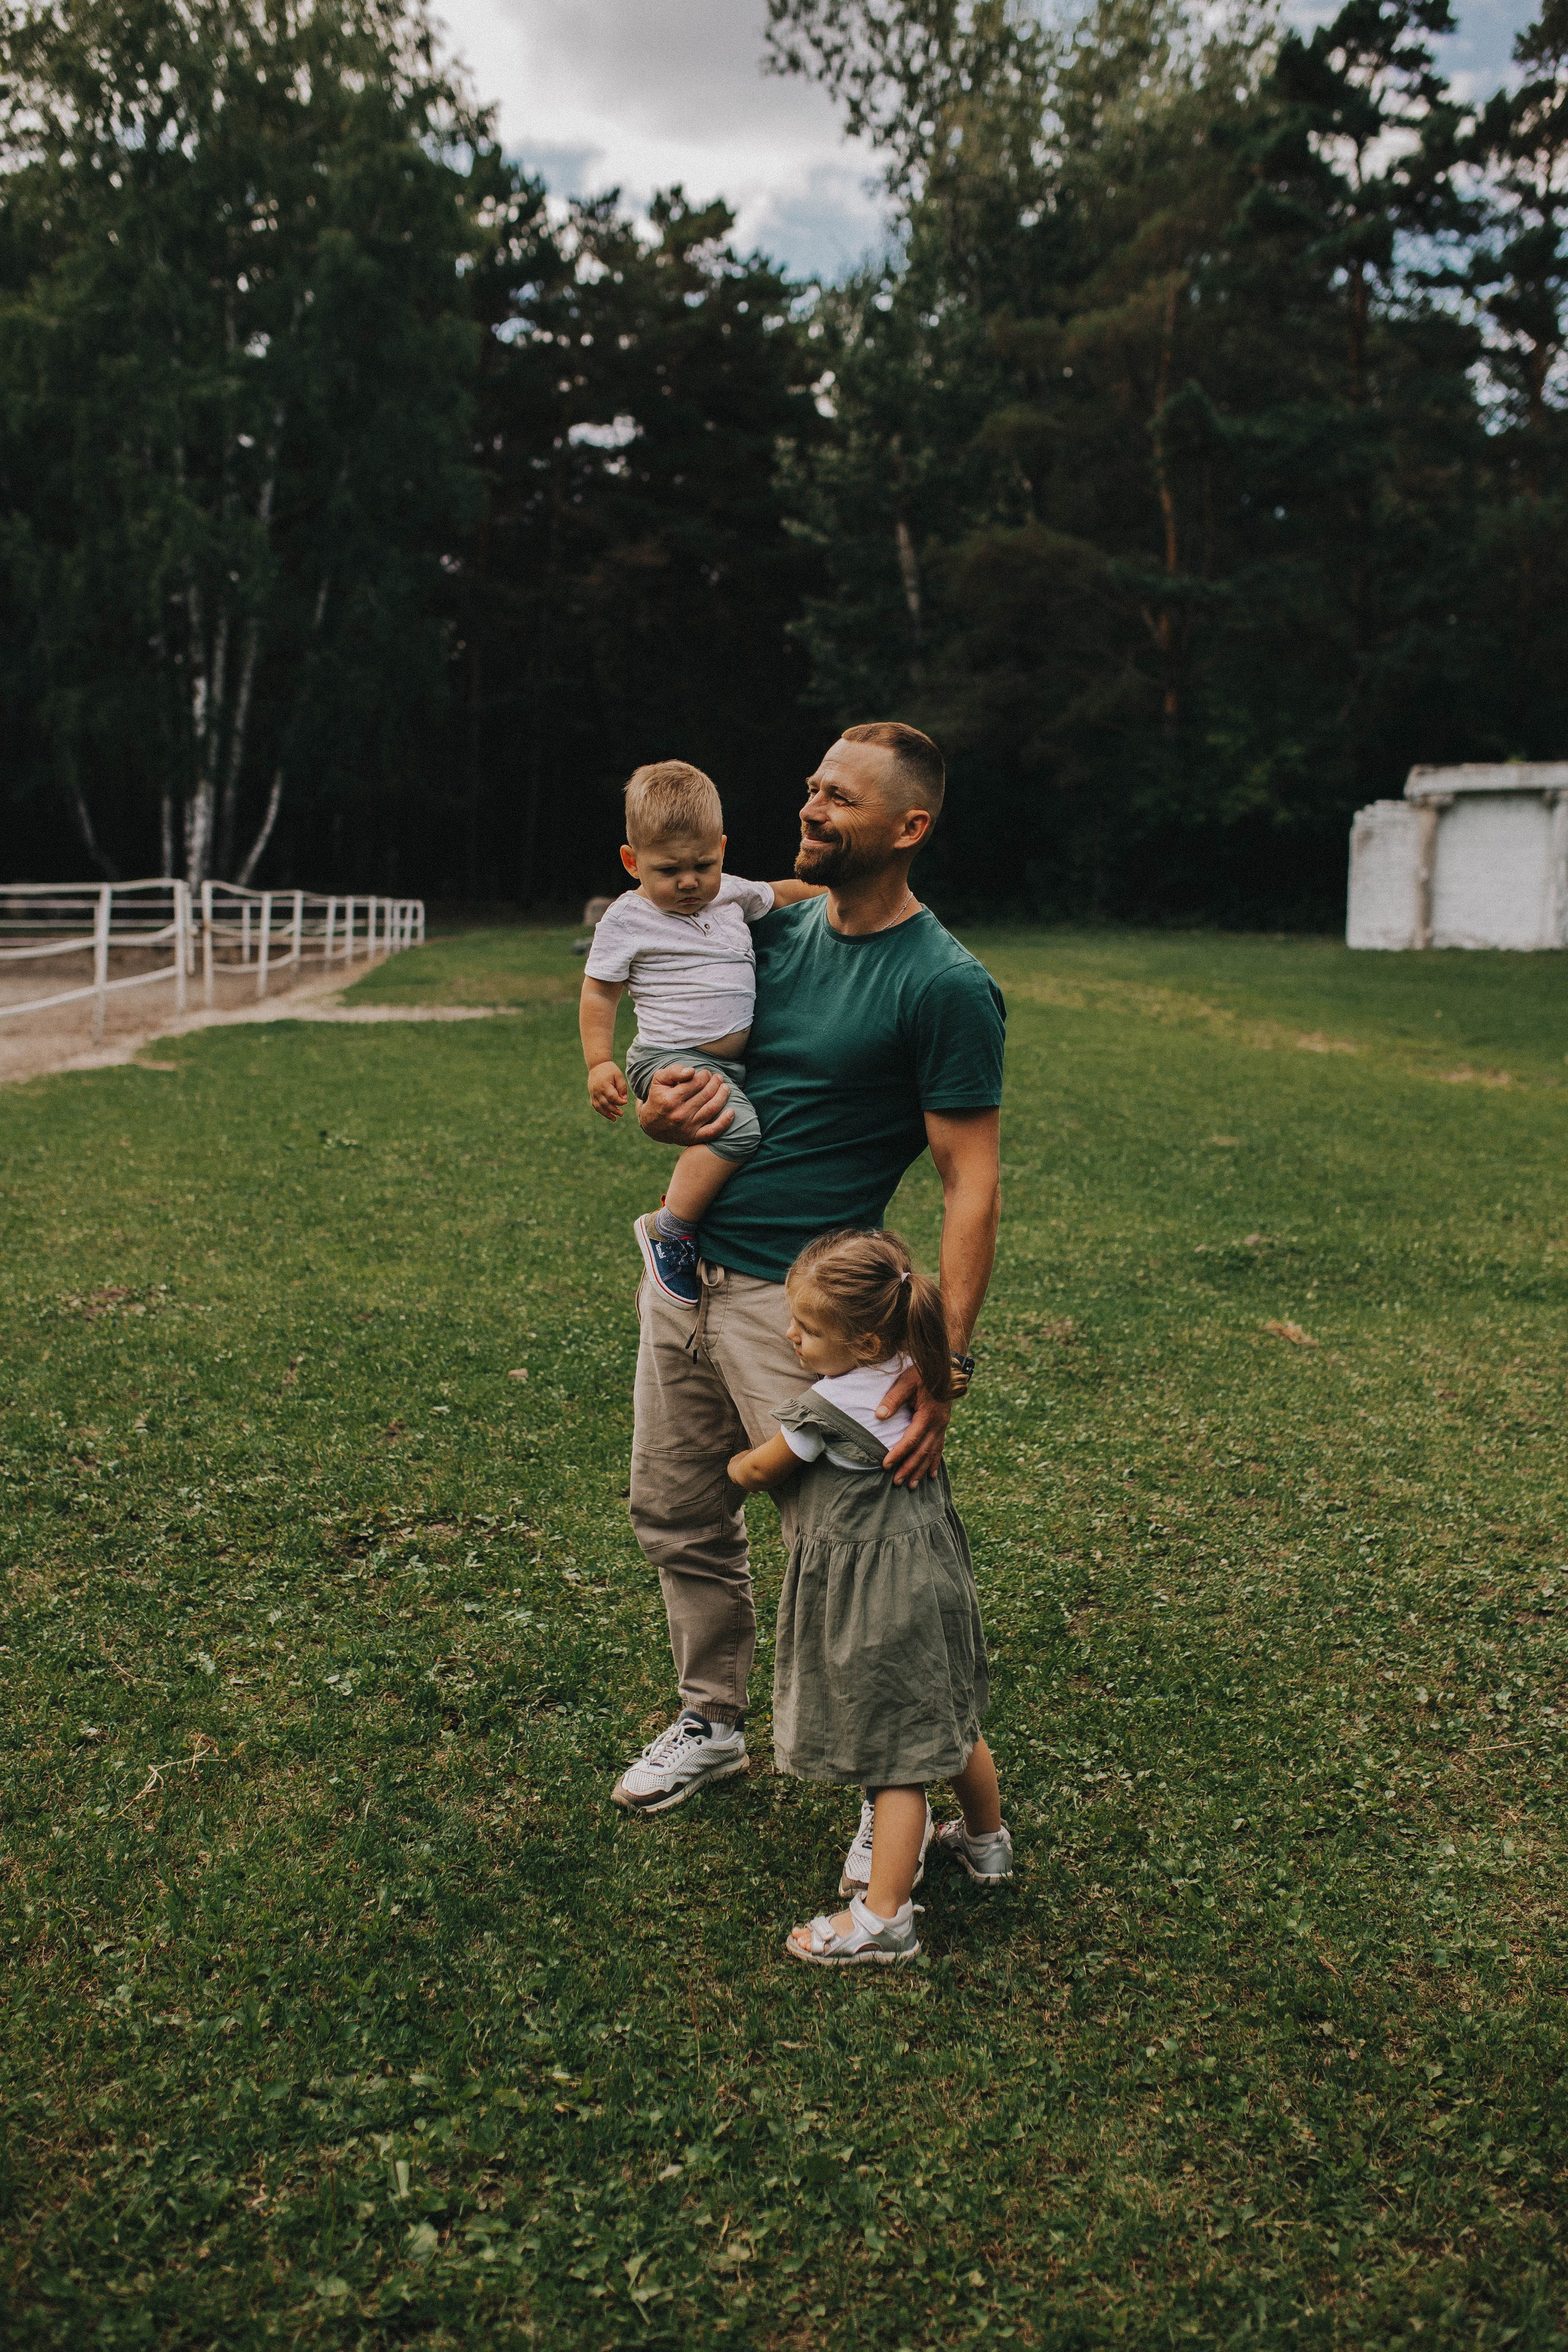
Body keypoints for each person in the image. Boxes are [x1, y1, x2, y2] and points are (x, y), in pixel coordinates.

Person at [609, 721, 1005, 1898]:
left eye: (842, 798)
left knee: (853, 1549)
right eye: (813, 789)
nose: (814, 808)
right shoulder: (761, 924)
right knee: (675, 1512)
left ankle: (901, 1786)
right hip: (687, 1270)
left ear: (909, 827)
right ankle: (711, 1720)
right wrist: (653, 1112)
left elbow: (968, 1182)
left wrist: (945, 1365)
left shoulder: (943, 983)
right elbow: (667, 1053)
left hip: (817, 1314)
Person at [726, 1228, 1011, 1964]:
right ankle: (986, 1845)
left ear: (864, 1340)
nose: (791, 1337)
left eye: (809, 1329)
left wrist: (733, 1465)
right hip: (934, 1571)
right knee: (948, 1712)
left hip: (877, 1591)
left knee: (893, 1756)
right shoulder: (919, 1374)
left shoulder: (820, 1413)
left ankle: (884, 1919)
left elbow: (762, 1471)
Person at [578, 760, 823, 1306]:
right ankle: (671, 1229)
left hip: (729, 1063)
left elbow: (781, 894)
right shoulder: (626, 919)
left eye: (703, 865)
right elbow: (599, 991)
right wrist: (599, 1062)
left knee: (745, 1131)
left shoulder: (729, 894)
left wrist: (835, 890)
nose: (689, 882)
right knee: (739, 1133)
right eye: (668, 870)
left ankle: (700, 1219)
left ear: (723, 849)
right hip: (669, 1056)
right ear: (631, 862)